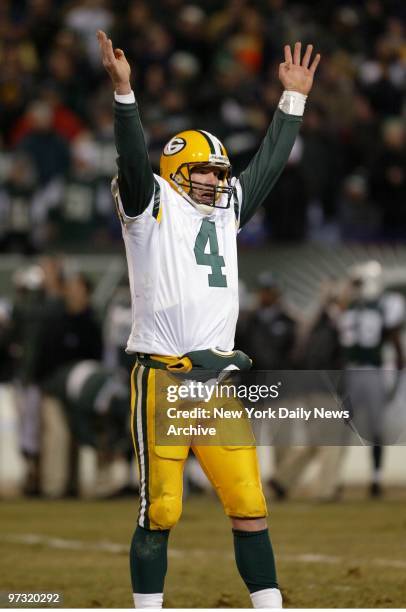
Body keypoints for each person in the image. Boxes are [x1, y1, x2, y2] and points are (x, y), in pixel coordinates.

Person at [97, 29, 320, 609]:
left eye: (221, 173)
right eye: (207, 171)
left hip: (216, 382)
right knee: (163, 508)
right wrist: (126, 97)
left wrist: (291, 102)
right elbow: (130, 156)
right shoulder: (150, 205)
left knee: (249, 502)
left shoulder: (225, 211)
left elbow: (267, 164)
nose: (218, 181)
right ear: (176, 171)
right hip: (164, 377)